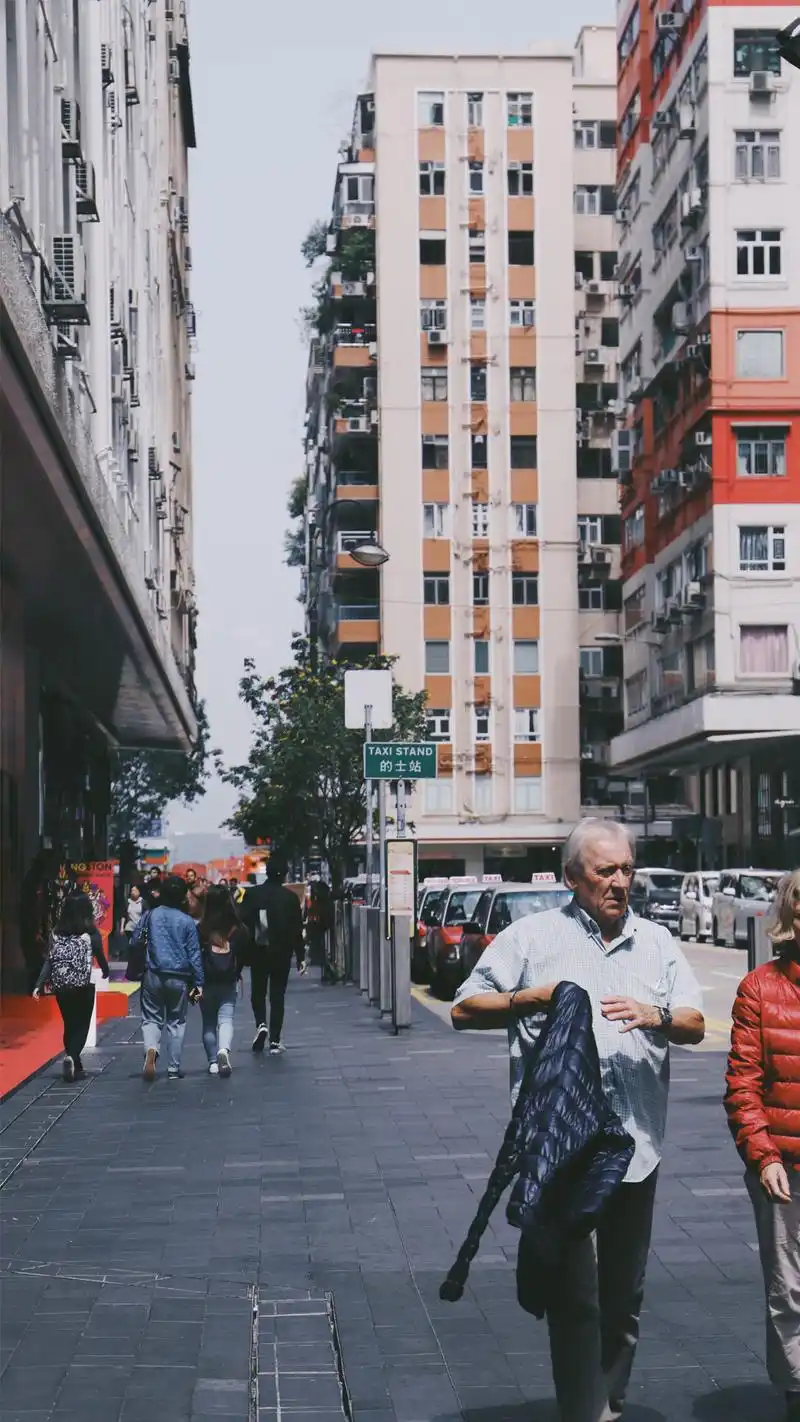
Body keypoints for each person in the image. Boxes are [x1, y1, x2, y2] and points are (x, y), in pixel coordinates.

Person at [451, 818, 705, 1422]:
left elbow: (695, 1023)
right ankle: (585, 1412)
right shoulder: (531, 938)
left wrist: (654, 1014)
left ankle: (608, 1400)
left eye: (626, 869)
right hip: (563, 1151)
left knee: (623, 1295)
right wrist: (533, 997)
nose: (620, 882)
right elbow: (462, 1008)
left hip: (636, 1148)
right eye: (605, 871)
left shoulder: (656, 942)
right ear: (572, 877)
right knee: (574, 1297)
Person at [725, 869, 800, 1422]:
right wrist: (764, 1155)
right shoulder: (760, 988)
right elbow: (743, 1085)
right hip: (784, 1164)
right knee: (789, 1289)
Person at [132, 873, 203, 1081]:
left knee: (151, 1019)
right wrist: (199, 983)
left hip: (153, 974)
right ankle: (173, 1068)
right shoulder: (187, 921)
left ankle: (151, 1049)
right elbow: (194, 955)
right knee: (176, 1022)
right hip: (179, 977)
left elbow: (136, 939)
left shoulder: (150, 916)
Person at [33, 892, 110, 1080]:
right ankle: (72, 1056)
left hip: (61, 987)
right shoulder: (91, 933)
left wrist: (38, 984)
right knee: (82, 1025)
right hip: (82, 986)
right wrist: (106, 971)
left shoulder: (55, 933)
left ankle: (75, 1063)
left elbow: (50, 960)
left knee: (69, 1023)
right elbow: (100, 956)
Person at [240, 858, 304, 1054]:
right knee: (277, 996)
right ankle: (275, 1040)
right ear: (284, 874)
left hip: (258, 951)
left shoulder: (252, 894)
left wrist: (241, 954)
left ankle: (261, 1024)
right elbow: (297, 929)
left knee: (258, 992)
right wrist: (300, 956)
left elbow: (244, 923)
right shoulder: (290, 898)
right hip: (282, 953)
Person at [197, 886, 251, 1077]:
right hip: (229, 980)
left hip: (206, 982)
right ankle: (223, 1050)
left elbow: (194, 956)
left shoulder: (202, 929)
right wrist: (236, 970)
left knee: (208, 1022)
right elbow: (245, 954)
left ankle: (213, 1062)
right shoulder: (238, 928)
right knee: (226, 1019)